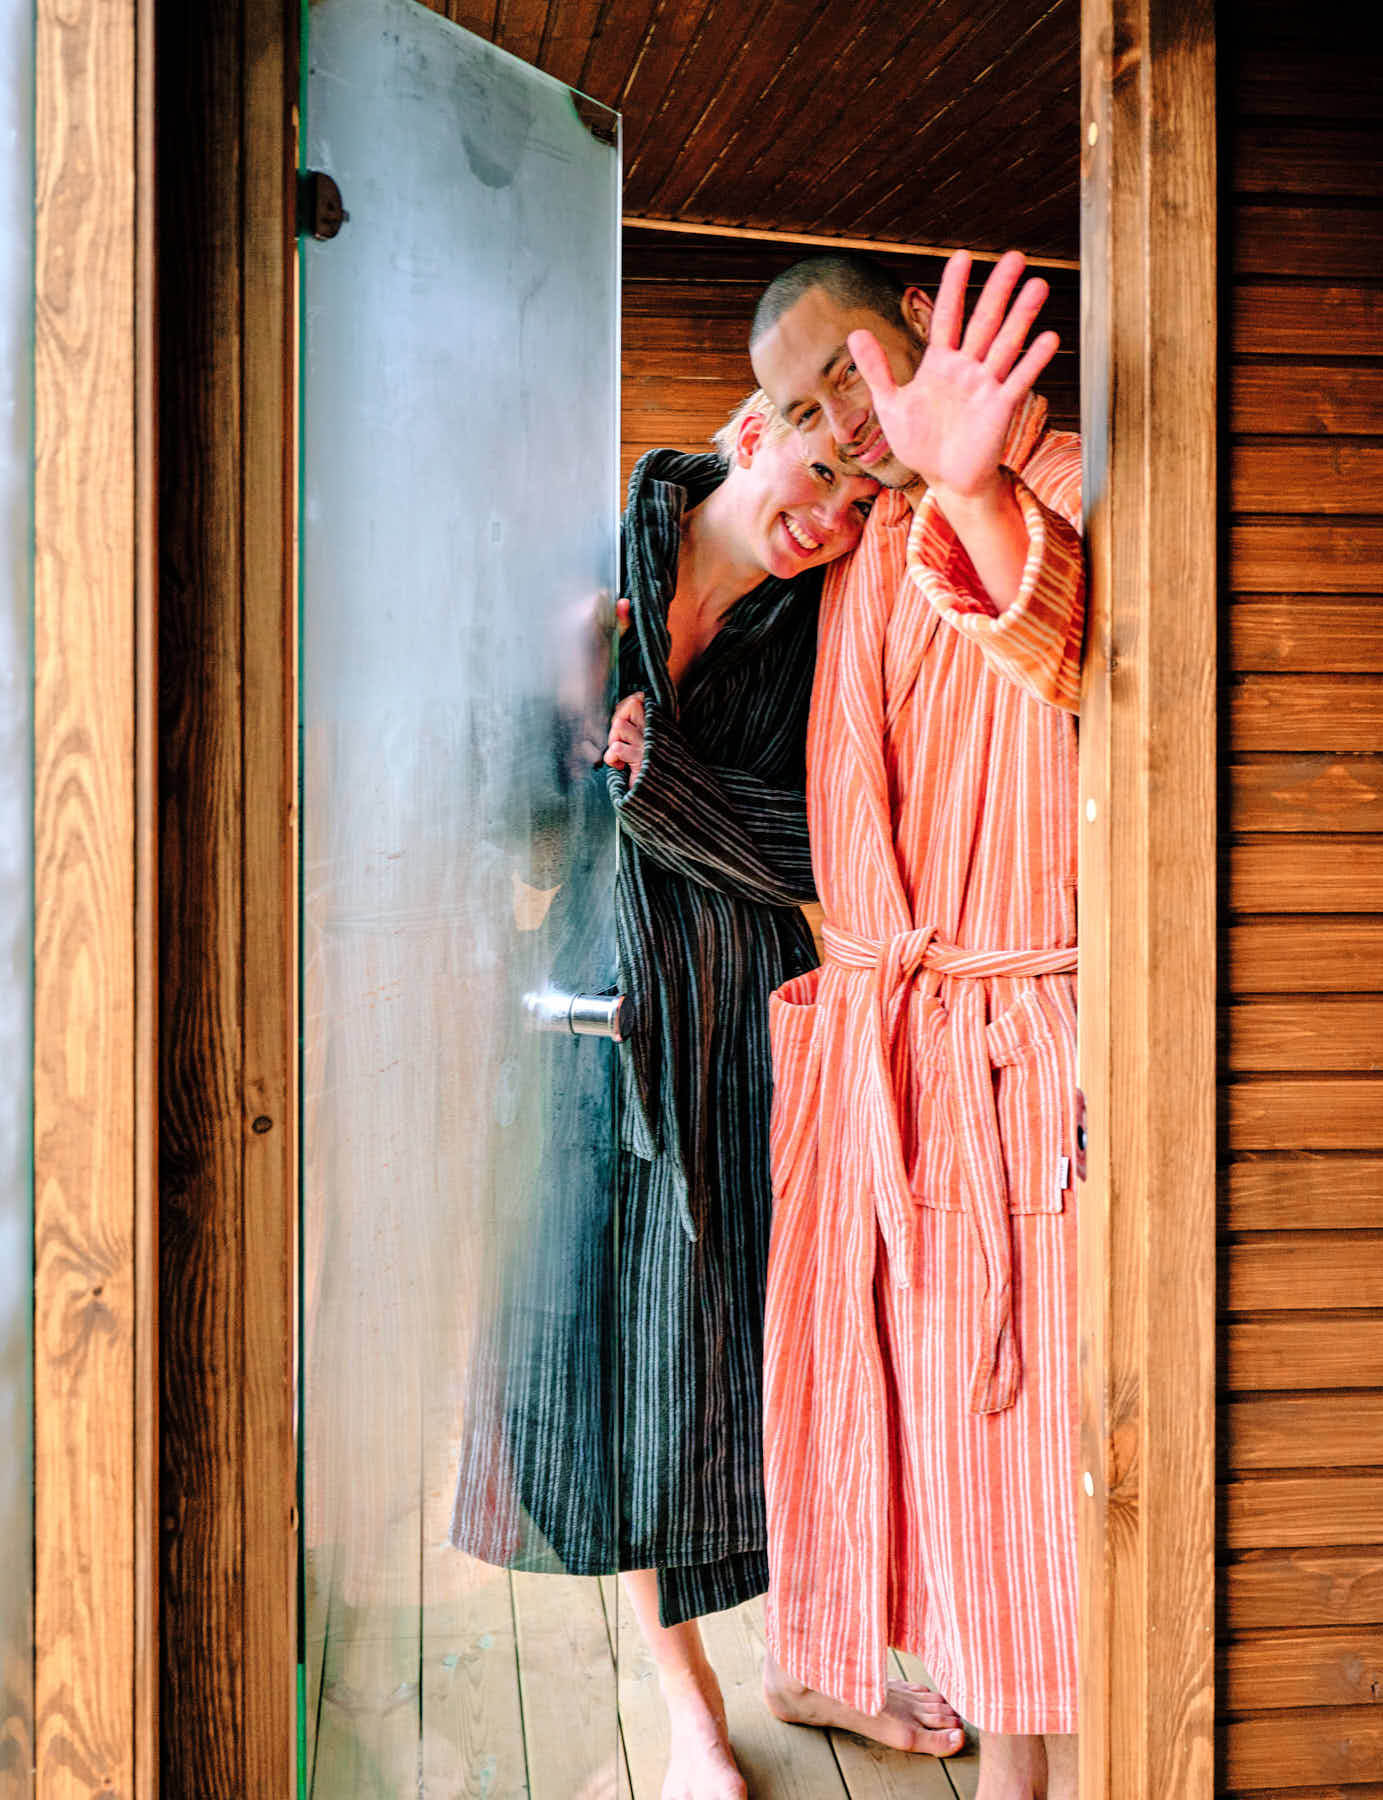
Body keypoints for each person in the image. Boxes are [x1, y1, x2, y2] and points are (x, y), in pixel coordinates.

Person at [455, 393, 947, 1800]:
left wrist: (661, 776)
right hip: (595, 1025)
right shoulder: (584, 569)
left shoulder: (825, 616)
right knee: (629, 1367)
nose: (833, 517)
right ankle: (690, 1711)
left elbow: (832, 842)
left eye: (863, 498)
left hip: (756, 1025)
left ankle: (817, 1659)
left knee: (782, 1356)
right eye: (824, 470)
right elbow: (505, 821)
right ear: (753, 423)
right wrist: (565, 718)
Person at [748, 248, 1084, 1800]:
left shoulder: (1057, 481)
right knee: (939, 1432)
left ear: (921, 328)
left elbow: (1064, 637)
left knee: (1019, 1435)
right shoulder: (859, 542)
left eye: (850, 373)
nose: (843, 421)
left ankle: (1041, 1769)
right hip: (892, 1048)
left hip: (1013, 1051)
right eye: (805, 408)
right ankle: (991, 1752)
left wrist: (978, 493)